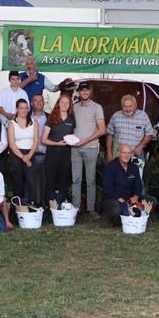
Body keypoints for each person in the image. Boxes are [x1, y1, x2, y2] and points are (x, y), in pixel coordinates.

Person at [71, 82, 105, 218]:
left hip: (90, 148)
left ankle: (91, 209)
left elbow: (102, 130)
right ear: (78, 92)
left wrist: (85, 141)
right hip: (75, 149)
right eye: (82, 90)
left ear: (90, 92)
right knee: (76, 179)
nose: (84, 92)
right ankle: (75, 209)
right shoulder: (74, 107)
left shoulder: (97, 107)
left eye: (87, 90)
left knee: (91, 180)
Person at [101, 144, 157, 225]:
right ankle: (117, 220)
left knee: (152, 201)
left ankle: (135, 216)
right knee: (116, 210)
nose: (126, 155)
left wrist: (135, 197)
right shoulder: (110, 168)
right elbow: (107, 189)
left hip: (131, 199)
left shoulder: (134, 167)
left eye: (128, 153)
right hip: (114, 199)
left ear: (131, 154)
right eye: (124, 152)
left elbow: (139, 185)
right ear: (118, 153)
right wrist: (122, 201)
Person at [42, 94, 76, 203]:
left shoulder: (72, 119)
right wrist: (57, 143)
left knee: (64, 179)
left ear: (70, 104)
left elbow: (74, 136)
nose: (65, 105)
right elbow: (43, 140)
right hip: (52, 152)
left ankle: (62, 205)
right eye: (62, 102)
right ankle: (49, 206)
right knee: (50, 180)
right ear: (58, 103)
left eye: (67, 103)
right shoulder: (52, 118)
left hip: (66, 153)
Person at [105, 94, 155, 163]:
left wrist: (141, 146)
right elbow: (109, 134)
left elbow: (149, 133)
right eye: (125, 106)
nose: (128, 109)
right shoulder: (116, 116)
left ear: (135, 105)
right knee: (118, 174)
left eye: (130, 106)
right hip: (118, 155)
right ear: (121, 106)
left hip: (137, 154)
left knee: (136, 174)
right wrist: (109, 153)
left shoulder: (143, 116)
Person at [6, 99, 39, 201]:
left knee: (31, 181)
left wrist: (28, 156)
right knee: (18, 181)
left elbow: (36, 140)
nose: (24, 110)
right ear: (17, 109)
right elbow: (11, 144)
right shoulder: (12, 123)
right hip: (16, 154)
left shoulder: (34, 122)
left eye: (26, 108)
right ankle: (18, 208)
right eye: (21, 108)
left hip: (30, 153)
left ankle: (32, 206)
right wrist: (23, 157)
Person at [30, 94, 48, 203]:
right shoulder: (26, 117)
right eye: (36, 100)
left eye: (41, 100)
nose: (39, 102)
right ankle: (30, 206)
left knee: (45, 182)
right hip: (31, 155)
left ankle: (44, 207)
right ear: (31, 103)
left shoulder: (49, 117)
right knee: (30, 182)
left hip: (46, 154)